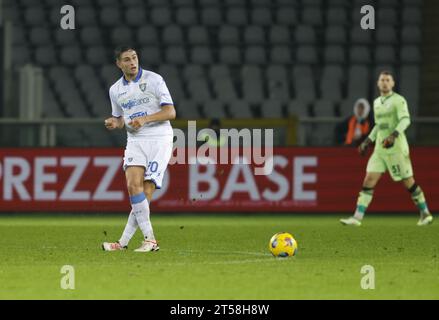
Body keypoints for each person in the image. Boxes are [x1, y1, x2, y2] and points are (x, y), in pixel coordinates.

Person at [102, 46, 176, 252]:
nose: (132, 62)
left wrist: (146, 118)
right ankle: (143, 241)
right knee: (133, 187)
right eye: (127, 59)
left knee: (146, 190)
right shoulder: (115, 90)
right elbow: (119, 118)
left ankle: (128, 242)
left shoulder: (154, 80)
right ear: (119, 64)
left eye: (134, 57)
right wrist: (114, 123)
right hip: (135, 140)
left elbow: (170, 112)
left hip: (159, 138)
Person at [340, 71, 433, 226]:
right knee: (369, 178)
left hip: (396, 148)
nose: (384, 82)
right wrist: (367, 141)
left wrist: (394, 135)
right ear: (378, 83)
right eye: (382, 80)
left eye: (387, 80)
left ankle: (425, 213)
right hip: (380, 150)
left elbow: (405, 119)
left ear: (393, 83)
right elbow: (378, 125)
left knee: (408, 182)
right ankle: (357, 217)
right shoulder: (376, 103)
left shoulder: (398, 100)